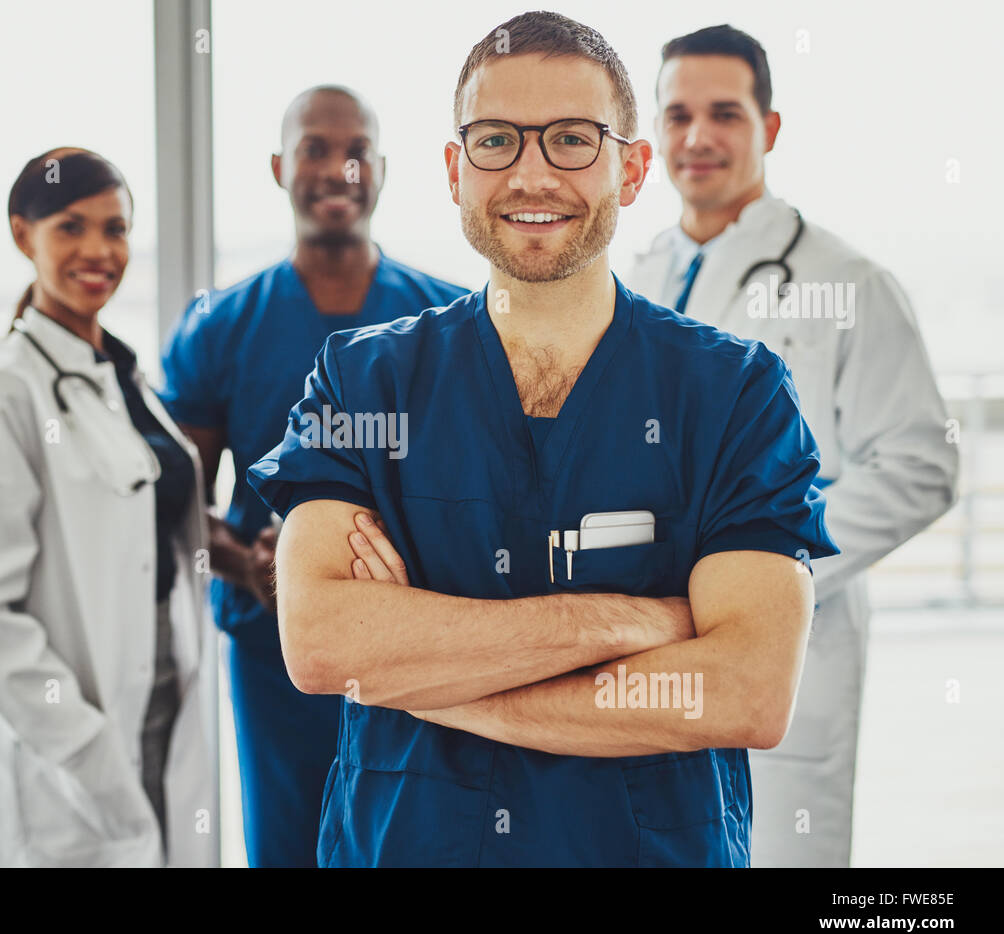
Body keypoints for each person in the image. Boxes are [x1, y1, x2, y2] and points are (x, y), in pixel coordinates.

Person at [248, 11, 839, 867]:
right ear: (454, 169)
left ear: (632, 169)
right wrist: (630, 622)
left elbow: (747, 688)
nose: (531, 173)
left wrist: (432, 683)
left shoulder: (734, 394)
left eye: (570, 139)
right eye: (495, 140)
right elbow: (323, 645)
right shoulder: (363, 382)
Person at [626, 25, 958, 867]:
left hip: (788, 646)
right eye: (677, 115)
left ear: (769, 129)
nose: (697, 138)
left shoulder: (850, 284)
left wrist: (770, 571)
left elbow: (920, 465)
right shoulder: (634, 276)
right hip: (645, 638)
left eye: (725, 114)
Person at [157, 86, 469, 867]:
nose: (339, 167)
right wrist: (248, 562)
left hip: (415, 646)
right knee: (290, 844)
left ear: (385, 170)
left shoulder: (450, 323)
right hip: (275, 653)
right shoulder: (222, 328)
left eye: (356, 148)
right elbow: (176, 500)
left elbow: (477, 491)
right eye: (315, 149)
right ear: (279, 167)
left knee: (412, 839)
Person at [0, 148, 218, 867]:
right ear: (22, 234)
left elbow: (146, 524)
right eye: (71, 227)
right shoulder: (2, 396)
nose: (98, 250)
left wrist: (242, 556)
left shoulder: (118, 377)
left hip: (166, 701)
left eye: (115, 229)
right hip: (73, 740)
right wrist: (85, 742)